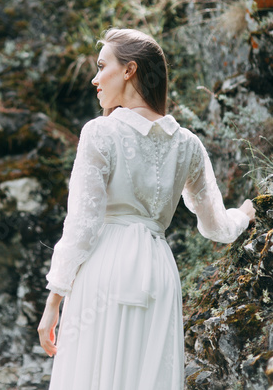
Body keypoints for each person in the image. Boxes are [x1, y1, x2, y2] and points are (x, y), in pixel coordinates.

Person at [38, 28, 255, 390]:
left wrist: (54, 300)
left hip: (104, 268)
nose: (95, 77)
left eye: (102, 65)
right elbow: (216, 227)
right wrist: (244, 217)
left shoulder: (100, 132)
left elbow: (82, 224)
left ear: (129, 70)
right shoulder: (188, 145)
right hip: (157, 272)